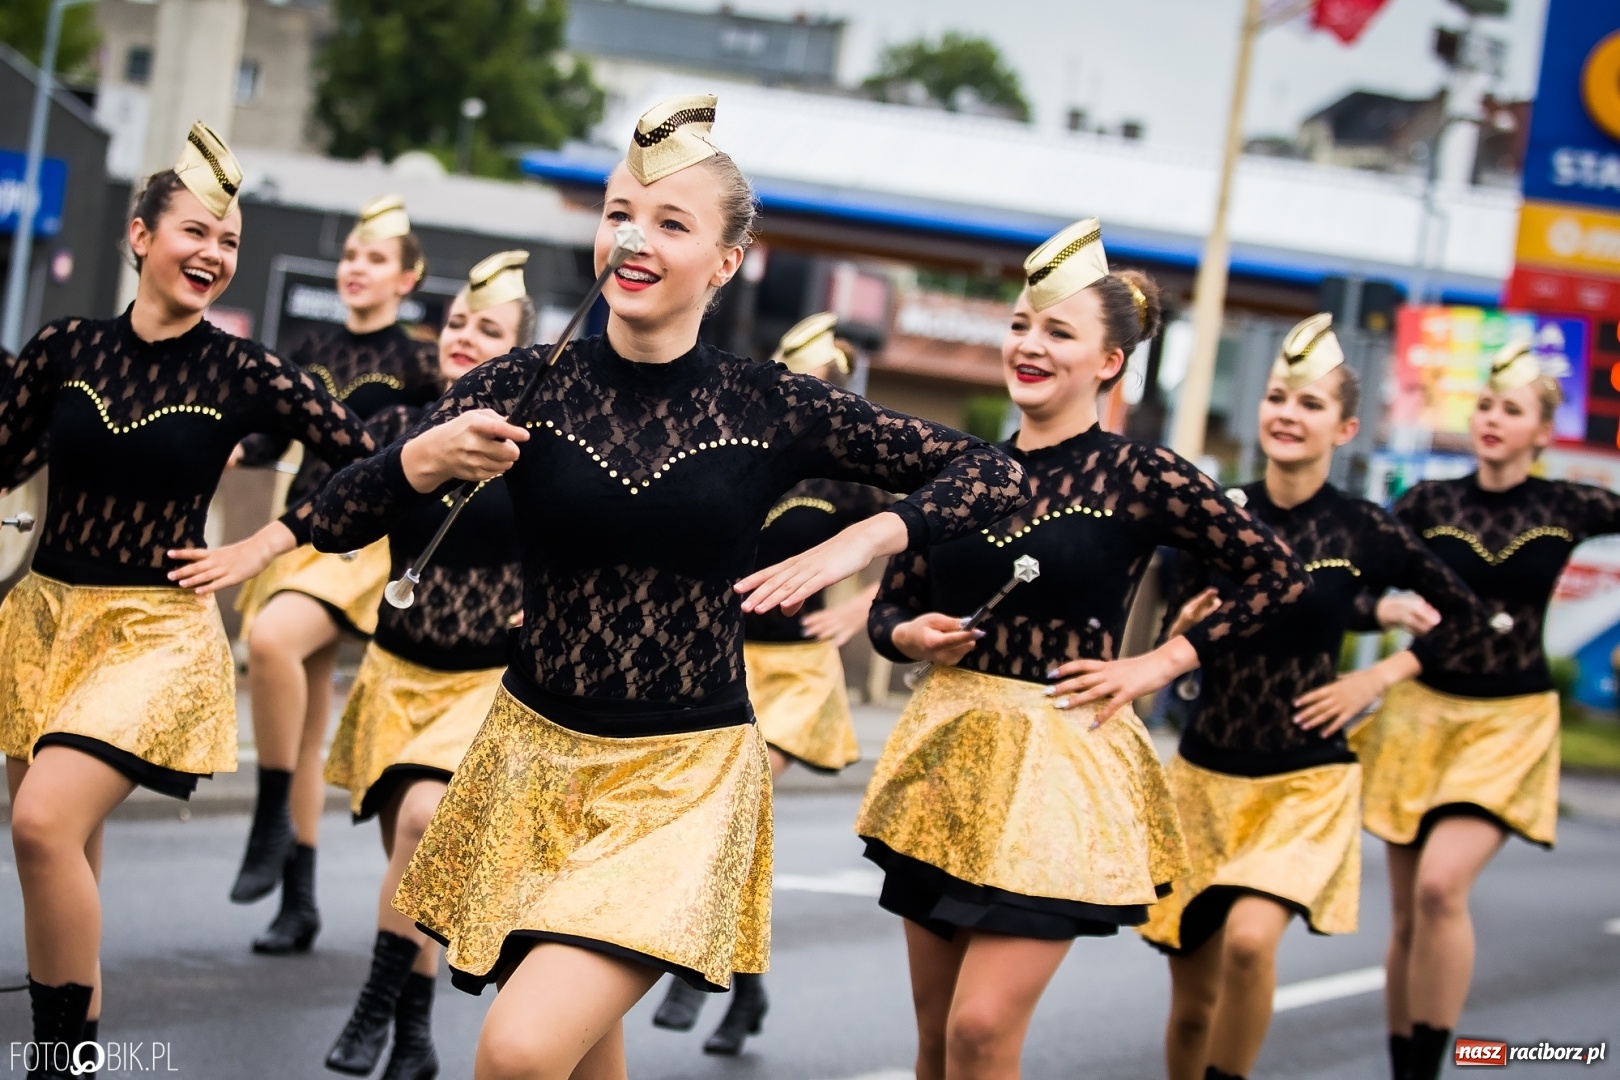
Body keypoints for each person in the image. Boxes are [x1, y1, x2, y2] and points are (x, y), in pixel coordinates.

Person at [305, 93, 1029, 1080]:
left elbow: (995, 472)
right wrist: (423, 457)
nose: (633, 239)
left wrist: (875, 534)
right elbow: (329, 520)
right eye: (618, 214)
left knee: (518, 1053)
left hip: (679, 782)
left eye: (669, 222)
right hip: (528, 767)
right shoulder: (523, 381)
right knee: (578, 1053)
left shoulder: (766, 403)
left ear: (726, 262)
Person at [857, 218, 1310, 1080]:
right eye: (1023, 324)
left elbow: (1277, 577)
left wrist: (1161, 664)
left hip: (1064, 764)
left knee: (982, 1031)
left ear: (1109, 362)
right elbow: (892, 610)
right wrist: (909, 635)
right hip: (947, 760)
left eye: (1058, 331)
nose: (1029, 343)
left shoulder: (1144, 476)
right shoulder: (959, 468)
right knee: (936, 1040)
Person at [0, 122, 376, 1077]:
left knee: (41, 822)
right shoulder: (64, 348)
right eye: (196, 232)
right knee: (61, 851)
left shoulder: (242, 371)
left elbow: (369, 468)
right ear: (139, 236)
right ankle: (77, 1061)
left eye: (230, 242)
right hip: (42, 624)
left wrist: (265, 543)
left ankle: (57, 1064)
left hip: (155, 633)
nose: (213, 254)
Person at [1140, 314, 1489, 1080]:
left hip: (1303, 781)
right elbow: (1181, 637)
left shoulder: (1363, 528)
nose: (1287, 415)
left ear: (1345, 425)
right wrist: (1182, 626)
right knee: (1192, 1002)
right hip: (1203, 777)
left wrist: (1378, 676)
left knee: (1250, 942)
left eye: (1308, 403)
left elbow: (1467, 614)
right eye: (1276, 397)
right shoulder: (1215, 515)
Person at [1352, 340, 1620, 1080]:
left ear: (1542, 431)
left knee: (1442, 887)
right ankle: (1406, 1068)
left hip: (1509, 723)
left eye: (1513, 410)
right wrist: (1383, 606)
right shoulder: (1428, 503)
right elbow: (1349, 576)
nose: (1493, 419)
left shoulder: (1566, 503)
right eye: (1486, 405)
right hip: (1420, 714)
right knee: (1410, 913)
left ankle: (1431, 1066)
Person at [646, 312, 893, 1054]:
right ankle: (746, 990)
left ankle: (696, 960)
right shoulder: (741, 454)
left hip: (795, 676)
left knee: (736, 790)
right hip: (723, 658)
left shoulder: (851, 480)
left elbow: (925, 542)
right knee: (722, 809)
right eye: (786, 373)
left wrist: (863, 605)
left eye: (811, 381)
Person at [320, 251, 533, 1080]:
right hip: (395, 674)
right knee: (410, 869)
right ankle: (413, 1037)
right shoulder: (397, 426)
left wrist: (548, 598)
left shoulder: (535, 447)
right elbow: (332, 507)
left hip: (481, 686)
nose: (464, 336)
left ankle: (372, 1006)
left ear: (517, 349)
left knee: (419, 825)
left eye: (488, 328)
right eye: (455, 322)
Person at [229, 194, 441, 955]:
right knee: (306, 718)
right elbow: (256, 439)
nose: (358, 268)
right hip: (299, 532)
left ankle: (269, 816)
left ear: (407, 277)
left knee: (274, 639)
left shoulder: (422, 363)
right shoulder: (309, 345)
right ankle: (299, 898)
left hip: (364, 548)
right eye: (351, 256)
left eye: (377, 258)